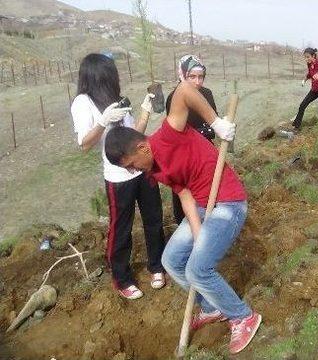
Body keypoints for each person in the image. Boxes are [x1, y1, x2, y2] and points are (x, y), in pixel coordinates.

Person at [104, 81, 262, 354]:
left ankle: (243, 317)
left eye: (130, 166)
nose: (132, 172)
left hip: (228, 202)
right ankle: (213, 307)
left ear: (142, 148)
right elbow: (185, 193)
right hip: (201, 205)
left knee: (198, 269)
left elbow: (185, 90)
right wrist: (200, 232)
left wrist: (216, 123)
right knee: (171, 260)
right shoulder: (154, 169)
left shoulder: (169, 133)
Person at [70, 53, 165, 300]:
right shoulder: (83, 102)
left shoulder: (117, 100)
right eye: (112, 74)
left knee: (153, 218)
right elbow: (84, 144)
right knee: (120, 228)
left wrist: (144, 110)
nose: (116, 78)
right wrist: (102, 121)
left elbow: (134, 135)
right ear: (99, 76)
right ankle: (121, 278)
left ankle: (156, 266)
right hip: (117, 177)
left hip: (141, 169)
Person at [166, 54, 218, 224]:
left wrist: (206, 130)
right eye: (192, 77)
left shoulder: (207, 94)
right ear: (182, 75)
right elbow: (175, 135)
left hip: (204, 155)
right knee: (185, 198)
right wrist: (203, 131)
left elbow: (213, 127)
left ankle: (207, 224)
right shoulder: (173, 98)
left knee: (207, 195)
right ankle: (184, 226)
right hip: (183, 159)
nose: (197, 82)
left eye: (200, 77)